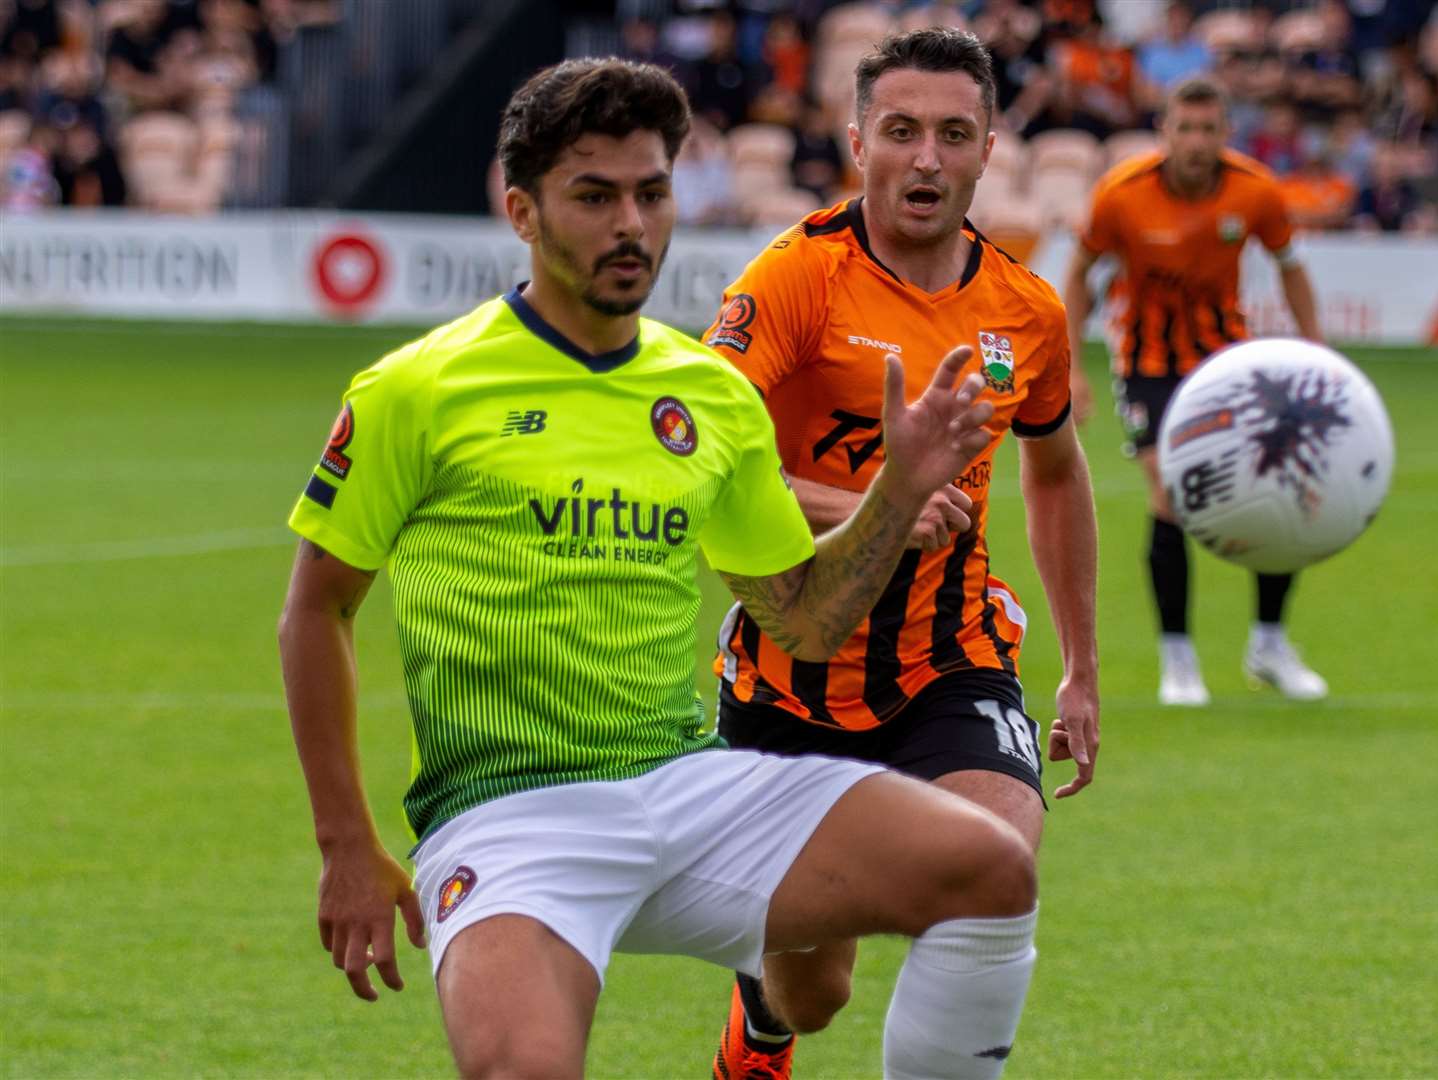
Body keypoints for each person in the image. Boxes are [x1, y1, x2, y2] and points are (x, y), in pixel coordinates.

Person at [278, 57, 1045, 1080]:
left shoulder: (708, 398)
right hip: (511, 815)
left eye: (650, 192)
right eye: (593, 196)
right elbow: (314, 614)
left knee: (987, 870)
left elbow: (803, 624)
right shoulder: (418, 389)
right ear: (521, 210)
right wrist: (345, 846)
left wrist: (894, 495)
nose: (630, 224)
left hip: (684, 785)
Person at [701, 28, 1100, 1080]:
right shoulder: (795, 279)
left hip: (950, 661)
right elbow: (694, 455)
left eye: (953, 134)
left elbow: (1055, 473)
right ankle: (763, 1020)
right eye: (902, 131)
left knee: (996, 865)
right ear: (856, 141)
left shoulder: (1027, 310)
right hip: (793, 673)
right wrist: (875, 501)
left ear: (986, 152)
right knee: (812, 994)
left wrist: (1083, 670)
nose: (926, 158)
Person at [1063, 75, 1328, 707]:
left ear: (1224, 134)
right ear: (1165, 133)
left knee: (1276, 484)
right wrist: (1071, 368)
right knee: (1171, 492)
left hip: (1229, 363)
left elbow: (1292, 269)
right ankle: (1178, 659)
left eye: (1209, 129)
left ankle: (1268, 643)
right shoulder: (1121, 196)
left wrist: (1317, 353)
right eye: (1185, 128)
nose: (1197, 141)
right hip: (1148, 364)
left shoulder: (1256, 190)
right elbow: (1078, 275)